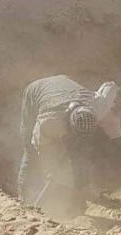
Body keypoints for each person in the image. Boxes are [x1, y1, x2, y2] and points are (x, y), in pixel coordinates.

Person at [16, 75, 100, 211]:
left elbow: (80, 153)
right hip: (34, 93)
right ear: (69, 124)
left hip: (62, 84)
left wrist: (83, 182)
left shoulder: (94, 105)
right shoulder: (50, 123)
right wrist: (52, 168)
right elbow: (39, 145)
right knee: (30, 152)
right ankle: (24, 200)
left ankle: (82, 190)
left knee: (78, 151)